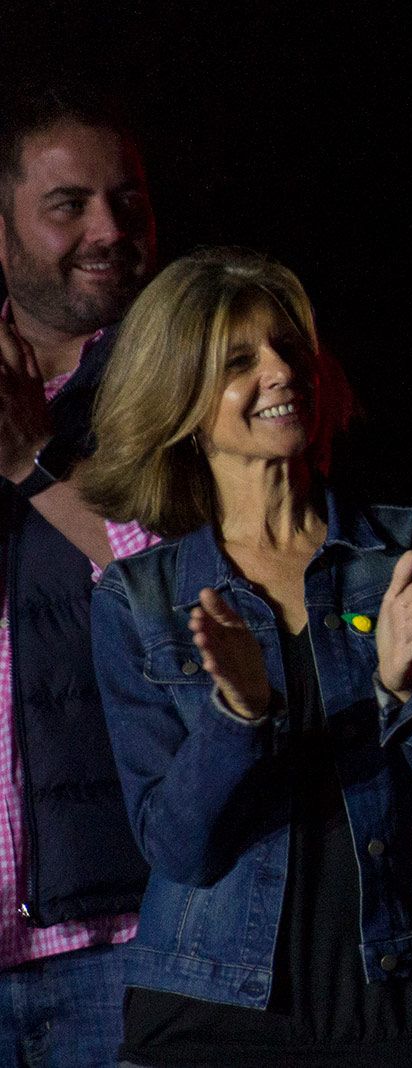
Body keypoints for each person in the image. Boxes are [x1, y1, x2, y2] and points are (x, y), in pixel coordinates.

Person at [79, 248, 412, 1066]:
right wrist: (239, 716)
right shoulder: (139, 599)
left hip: (397, 1000)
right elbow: (179, 847)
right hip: (206, 1014)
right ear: (182, 401)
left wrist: (408, 693)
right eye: (238, 361)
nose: (279, 372)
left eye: (289, 348)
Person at [0, 83, 156, 1063]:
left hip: (117, 939)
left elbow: (196, 595)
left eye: (128, 200)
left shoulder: (179, 378)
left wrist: (37, 460)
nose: (108, 228)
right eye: (70, 205)